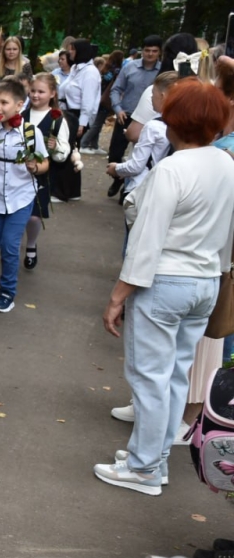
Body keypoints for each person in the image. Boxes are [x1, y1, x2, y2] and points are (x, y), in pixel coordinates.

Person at [95, 79, 234, 497]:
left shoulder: (172, 169)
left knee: (150, 378)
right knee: (174, 376)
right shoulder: (226, 163)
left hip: (165, 281)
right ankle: (154, 459)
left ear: (175, 120)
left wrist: (117, 296)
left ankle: (144, 468)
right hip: (206, 280)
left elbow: (146, 240)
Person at [0, 79, 49, 313]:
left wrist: (35, 167)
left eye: (4, 103)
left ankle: (7, 292)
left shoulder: (31, 133)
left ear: (19, 105)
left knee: (9, 246)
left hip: (21, 198)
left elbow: (45, 162)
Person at [21, 73, 69, 271]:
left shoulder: (57, 119)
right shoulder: (22, 115)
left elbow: (64, 152)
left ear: (52, 93)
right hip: (19, 171)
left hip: (43, 174)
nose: (35, 95)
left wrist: (55, 147)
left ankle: (31, 244)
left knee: (34, 216)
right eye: (33, 91)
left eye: (41, 92)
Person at [105, 35, 161, 197]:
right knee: (115, 152)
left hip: (149, 119)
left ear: (159, 52)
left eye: (154, 51)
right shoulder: (130, 67)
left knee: (141, 155)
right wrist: (118, 109)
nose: (150, 54)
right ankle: (118, 178)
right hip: (126, 115)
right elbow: (116, 89)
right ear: (142, 51)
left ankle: (129, 188)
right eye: (147, 50)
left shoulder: (162, 70)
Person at [106, 72, 177, 201]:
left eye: (153, 93)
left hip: (141, 187)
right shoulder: (180, 125)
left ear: (162, 96)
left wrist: (116, 168)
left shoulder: (153, 126)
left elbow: (137, 165)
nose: (151, 98)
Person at [55, 39, 99, 201]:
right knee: (71, 152)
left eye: (72, 50)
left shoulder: (90, 72)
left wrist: (82, 123)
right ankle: (73, 191)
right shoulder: (75, 68)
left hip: (78, 115)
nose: (70, 53)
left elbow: (88, 100)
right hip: (68, 112)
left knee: (67, 152)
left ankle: (63, 192)